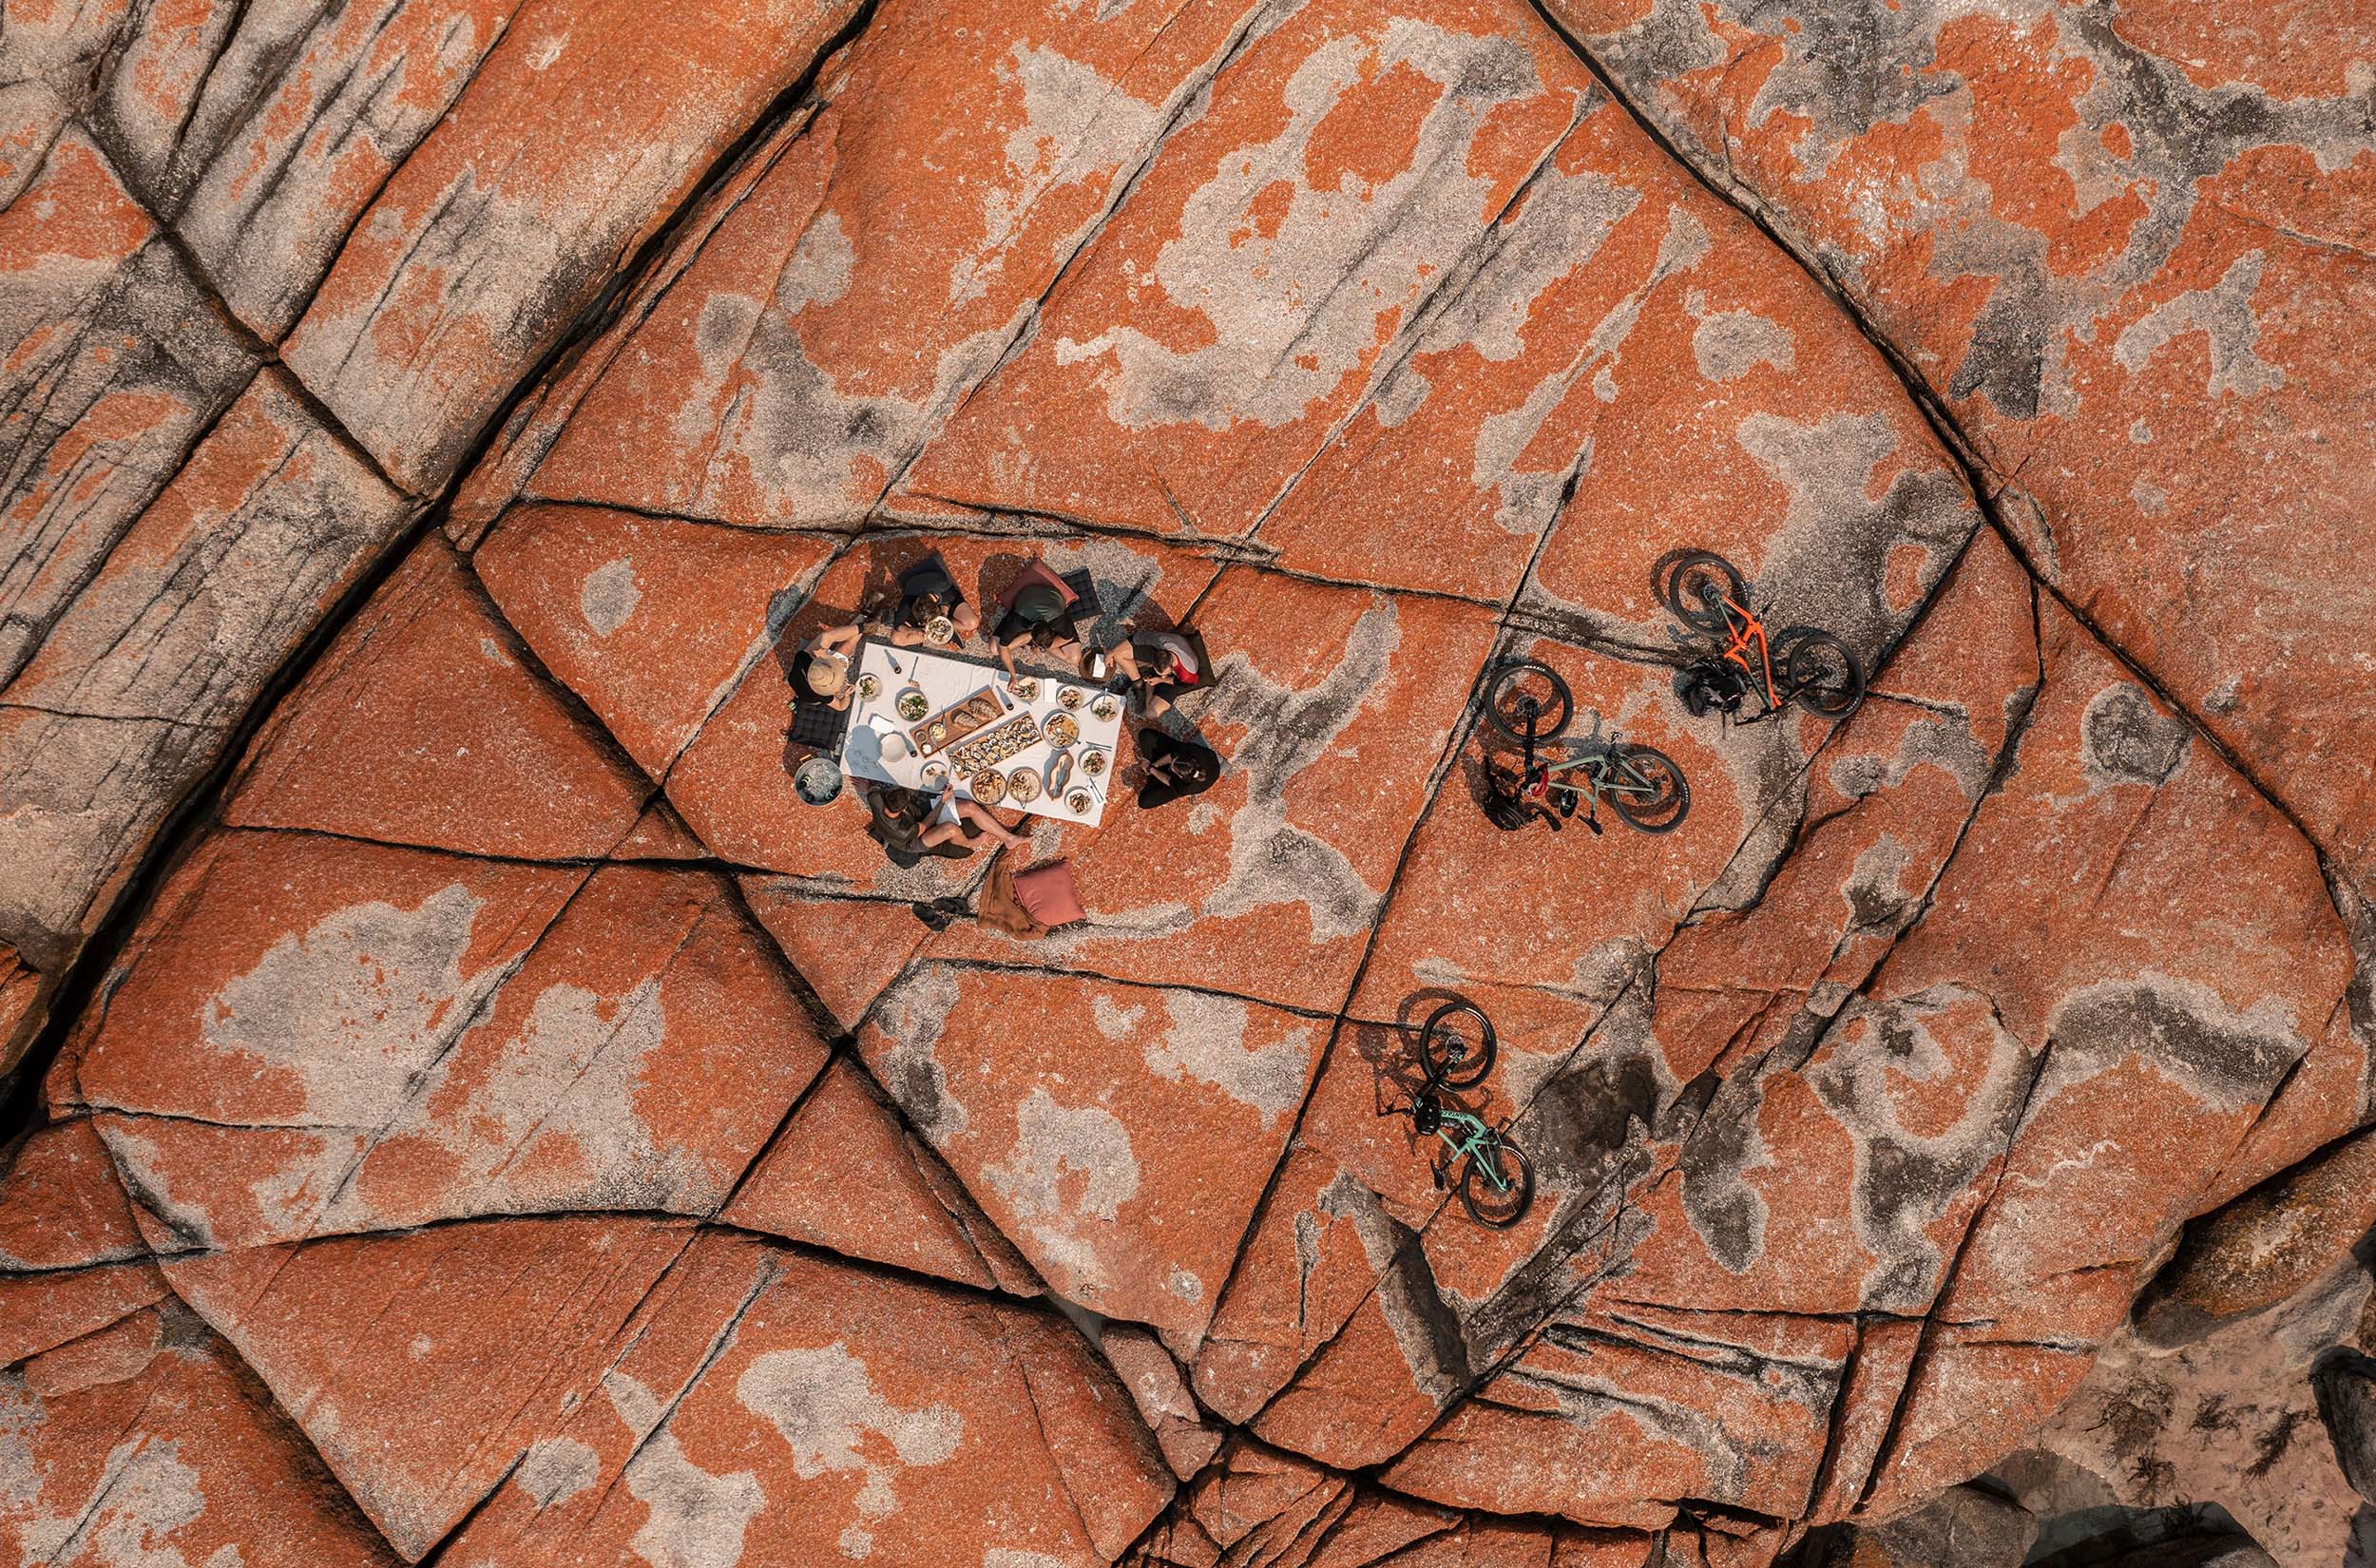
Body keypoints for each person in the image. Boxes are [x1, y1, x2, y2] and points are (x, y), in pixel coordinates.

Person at [859, 779, 1028, 869]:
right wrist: (943, 802)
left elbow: (869, 788)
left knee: (970, 807)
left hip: (915, 817)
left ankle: (1009, 838)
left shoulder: (876, 799)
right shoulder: (904, 831)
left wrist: (866, 785)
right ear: (903, 809)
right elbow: (926, 824)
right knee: (951, 829)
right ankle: (970, 843)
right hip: (912, 841)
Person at [993, 559, 1085, 674]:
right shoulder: (1018, 621)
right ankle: (1027, 638)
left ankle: (1034, 642)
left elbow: (1068, 637)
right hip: (1025, 600)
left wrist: (1044, 647)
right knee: (994, 649)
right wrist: (1013, 675)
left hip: (1051, 600)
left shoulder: (1059, 620)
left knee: (1074, 658)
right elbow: (1002, 647)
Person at [1109, 626, 1206, 721]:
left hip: (1174, 680)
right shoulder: (1162, 642)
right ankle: (1139, 684)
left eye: (1162, 673)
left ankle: (1148, 688)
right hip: (1163, 654)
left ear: (1172, 667)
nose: (1162, 675)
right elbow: (1134, 638)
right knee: (1118, 655)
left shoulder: (1187, 674)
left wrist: (1161, 679)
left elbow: (1187, 684)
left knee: (1150, 714)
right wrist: (1111, 653)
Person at [882, 557, 980, 648]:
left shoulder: (945, 589)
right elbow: (898, 624)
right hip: (917, 583)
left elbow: (947, 602)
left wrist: (945, 619)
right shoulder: (910, 596)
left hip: (940, 587)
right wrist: (915, 630)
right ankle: (935, 632)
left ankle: (946, 629)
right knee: (896, 639)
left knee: (972, 623)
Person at [1136, 728, 1220, 811]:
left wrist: (1150, 769)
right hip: (1183, 753)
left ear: (1180, 777)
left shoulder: (1186, 787)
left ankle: (1154, 773)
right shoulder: (1192, 751)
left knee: (1144, 802)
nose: (1170, 766)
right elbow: (1170, 756)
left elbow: (1167, 779)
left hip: (1176, 782)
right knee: (1145, 734)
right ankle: (1153, 767)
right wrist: (1155, 765)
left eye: (1172, 768)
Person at [793, 621, 864, 709]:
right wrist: (846, 695)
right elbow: (841, 706)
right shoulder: (822, 695)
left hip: (802, 676)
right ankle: (864, 624)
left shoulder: (802, 659)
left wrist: (837, 662)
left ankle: (864, 625)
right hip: (811, 695)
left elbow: (826, 637)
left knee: (841, 645)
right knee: (846, 647)